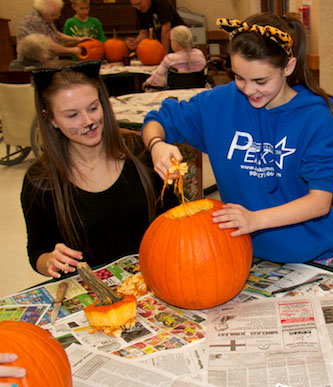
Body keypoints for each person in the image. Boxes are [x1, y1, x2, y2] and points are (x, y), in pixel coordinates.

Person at [141, 13, 333, 268]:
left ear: (288, 67)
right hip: (246, 253)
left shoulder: (316, 119)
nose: (249, 90)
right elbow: (158, 120)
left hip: (312, 257)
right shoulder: (220, 103)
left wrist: (254, 220)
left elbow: (319, 202)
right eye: (239, 77)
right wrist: (157, 145)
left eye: (261, 81)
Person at [21, 60, 177, 279]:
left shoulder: (141, 155)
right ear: (51, 119)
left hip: (155, 278)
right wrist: (49, 261)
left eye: (93, 108)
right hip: (92, 291)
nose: (89, 121)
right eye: (72, 115)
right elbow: (37, 251)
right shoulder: (40, 181)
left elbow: (175, 219)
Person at [17, 0, 87, 61]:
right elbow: (51, 46)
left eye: (58, 14)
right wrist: (73, 50)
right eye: (54, 15)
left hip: (49, 61)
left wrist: (77, 39)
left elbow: (55, 33)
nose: (57, 17)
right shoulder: (35, 21)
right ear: (43, 13)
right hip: (35, 64)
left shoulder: (46, 15)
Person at [143, 25, 207, 90]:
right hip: (197, 93)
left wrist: (147, 82)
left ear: (176, 42)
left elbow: (156, 81)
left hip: (175, 95)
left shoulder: (170, 59)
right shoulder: (199, 54)